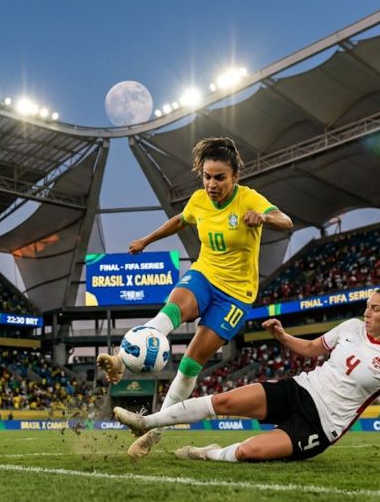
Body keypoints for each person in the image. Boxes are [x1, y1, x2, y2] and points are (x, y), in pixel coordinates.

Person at [97, 137, 293, 458]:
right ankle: (121, 359)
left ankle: (152, 433)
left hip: (235, 296)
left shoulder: (248, 199)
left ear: (234, 178)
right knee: (172, 310)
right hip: (204, 275)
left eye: (219, 177)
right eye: (206, 176)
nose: (211, 184)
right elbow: (180, 220)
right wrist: (146, 240)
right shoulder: (200, 200)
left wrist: (265, 218)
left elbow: (286, 221)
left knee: (189, 365)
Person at [114, 287, 380, 465]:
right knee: (223, 401)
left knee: (248, 454)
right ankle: (146, 424)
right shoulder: (352, 327)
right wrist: (282, 336)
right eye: (368, 306)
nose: (366, 312)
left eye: (375, 308)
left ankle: (205, 453)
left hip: (320, 426)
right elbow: (312, 350)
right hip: (299, 389)